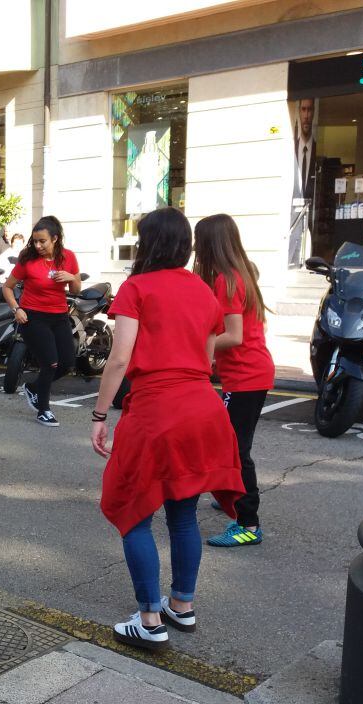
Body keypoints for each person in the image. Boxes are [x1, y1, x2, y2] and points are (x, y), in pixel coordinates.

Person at [91, 207, 243, 651]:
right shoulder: (203, 290)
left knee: (132, 509)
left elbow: (119, 358)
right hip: (203, 408)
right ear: (184, 245)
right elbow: (209, 356)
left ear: (147, 242)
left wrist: (100, 416)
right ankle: (182, 605)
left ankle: (149, 620)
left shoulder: (136, 287)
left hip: (158, 411)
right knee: (182, 514)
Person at [193, 213, 274, 548]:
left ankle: (248, 523)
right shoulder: (240, 272)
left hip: (246, 375)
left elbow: (235, 336)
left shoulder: (227, 280)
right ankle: (231, 492)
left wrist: (200, 345)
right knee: (230, 442)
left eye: (199, 240)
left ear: (211, 243)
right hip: (249, 372)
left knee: (236, 449)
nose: (195, 246)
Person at [2, 216, 82, 426]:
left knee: (66, 363)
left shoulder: (68, 257)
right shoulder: (27, 259)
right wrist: (16, 308)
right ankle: (43, 410)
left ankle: (33, 388)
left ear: (54, 238)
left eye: (42, 241)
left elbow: (76, 289)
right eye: (35, 241)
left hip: (59, 316)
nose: (37, 245)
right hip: (32, 316)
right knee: (51, 362)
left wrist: (71, 278)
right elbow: (7, 287)